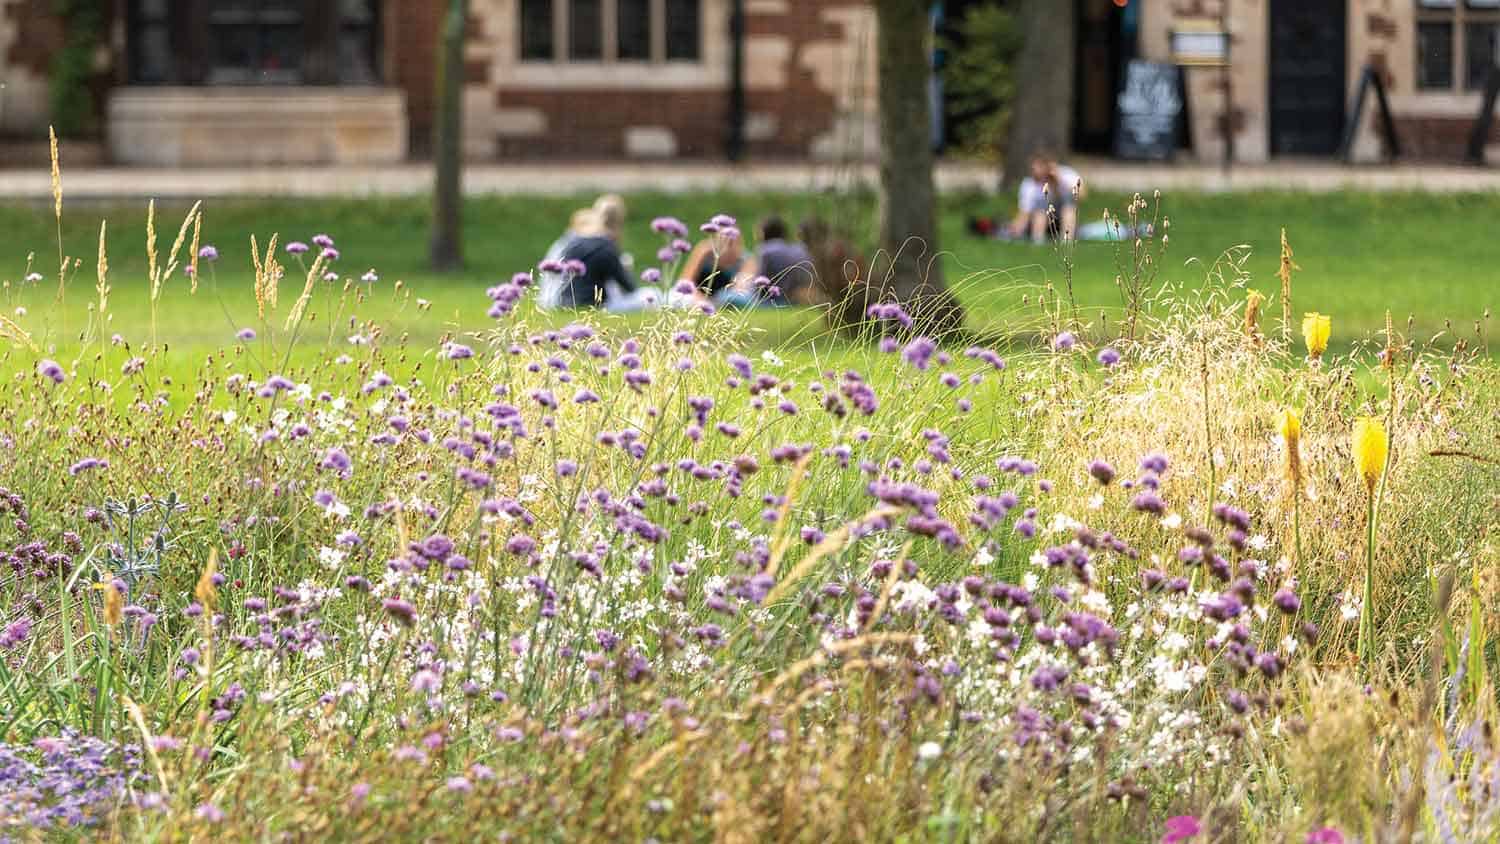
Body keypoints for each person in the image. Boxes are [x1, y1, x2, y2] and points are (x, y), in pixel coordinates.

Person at [553, 199, 657, 311]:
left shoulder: (575, 241)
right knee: (653, 294)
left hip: (564, 303)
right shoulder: (605, 246)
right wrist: (626, 268)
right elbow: (629, 288)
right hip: (594, 305)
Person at [719, 215, 816, 308]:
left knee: (724, 296)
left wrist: (744, 287)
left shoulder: (765, 250)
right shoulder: (794, 249)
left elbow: (759, 284)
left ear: (763, 232)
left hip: (770, 301)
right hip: (791, 300)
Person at [1009, 153, 1083, 243]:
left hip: (1064, 217)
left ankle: (1066, 242)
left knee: (1068, 208)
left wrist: (1059, 181)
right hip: (1043, 218)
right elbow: (1025, 212)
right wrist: (1015, 229)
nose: (1036, 171)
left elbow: (1082, 195)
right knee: (1040, 210)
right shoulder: (1029, 184)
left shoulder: (1066, 174)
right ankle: (1038, 241)